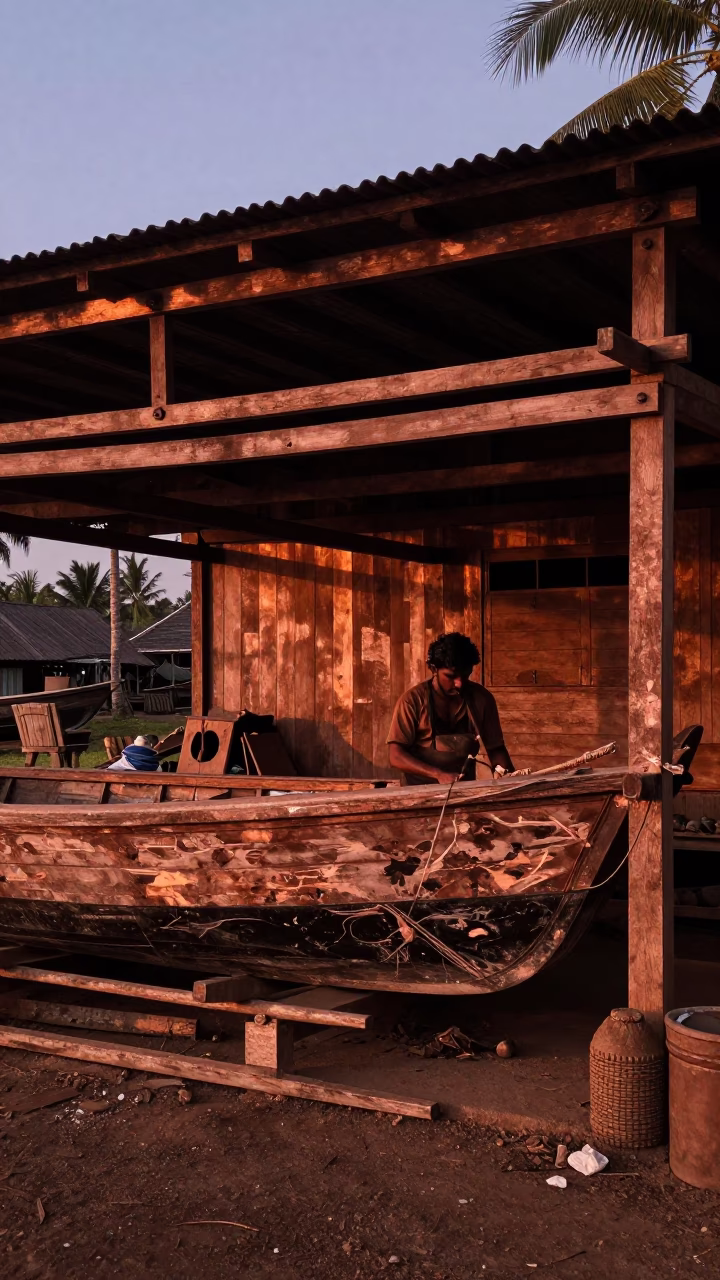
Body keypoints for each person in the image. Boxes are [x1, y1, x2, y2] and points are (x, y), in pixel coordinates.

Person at [386, 632, 514, 786]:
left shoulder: (482, 699)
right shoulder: (412, 701)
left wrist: (511, 779)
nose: (459, 683)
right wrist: (438, 774)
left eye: (465, 675)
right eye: (451, 676)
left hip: (463, 790)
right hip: (418, 793)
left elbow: (496, 749)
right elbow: (395, 756)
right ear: (434, 668)